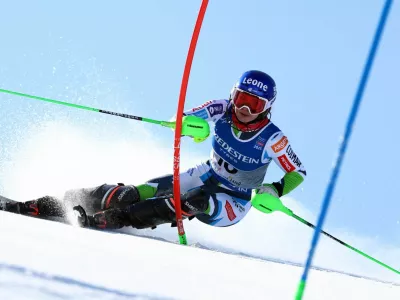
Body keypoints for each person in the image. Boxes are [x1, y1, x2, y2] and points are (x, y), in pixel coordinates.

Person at [0, 70, 306, 230]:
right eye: (240, 97)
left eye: (253, 104)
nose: (242, 108)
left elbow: (298, 172)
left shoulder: (272, 138)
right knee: (131, 192)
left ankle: (118, 219)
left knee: (196, 200)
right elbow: (186, 117)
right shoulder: (223, 109)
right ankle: (41, 205)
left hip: (233, 201)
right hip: (205, 174)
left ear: (267, 108)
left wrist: (276, 189)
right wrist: (186, 125)